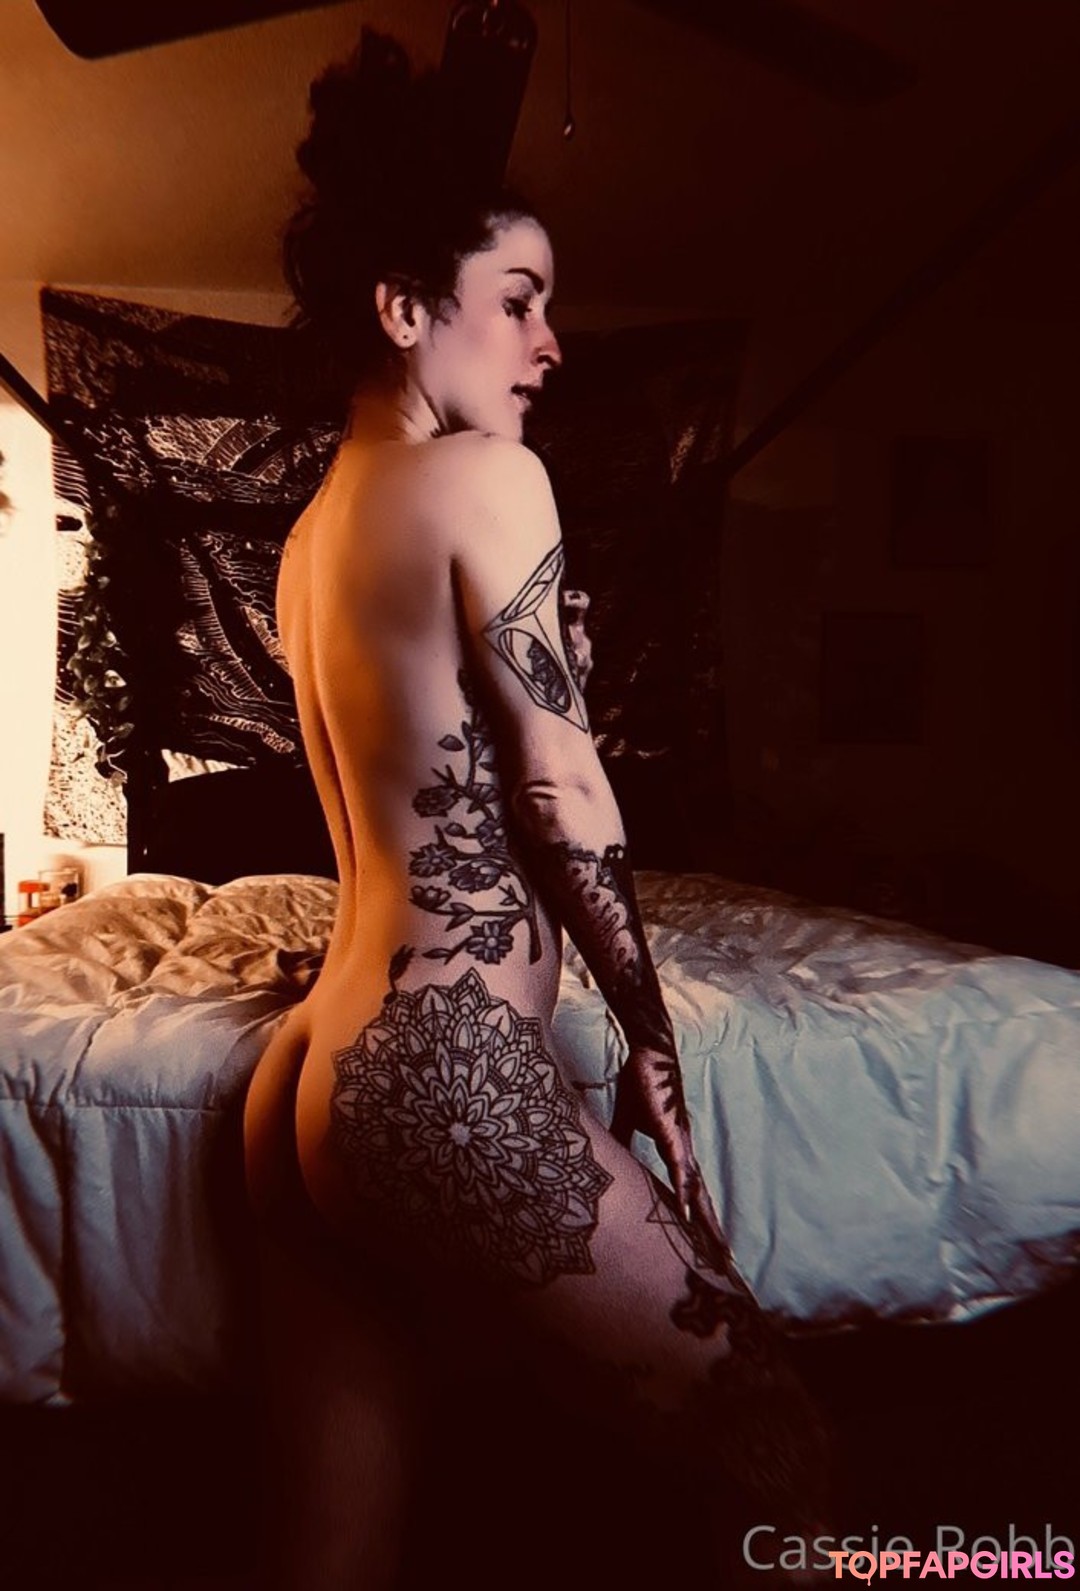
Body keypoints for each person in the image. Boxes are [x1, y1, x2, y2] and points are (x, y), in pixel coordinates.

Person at [244, 30, 830, 1591]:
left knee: (334, 1558)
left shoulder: (313, 535)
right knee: (779, 1449)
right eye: (519, 300)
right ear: (402, 308)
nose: (552, 342)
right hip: (442, 1079)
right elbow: (564, 784)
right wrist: (654, 1042)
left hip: (305, 1084)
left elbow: (436, 767)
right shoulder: (491, 480)